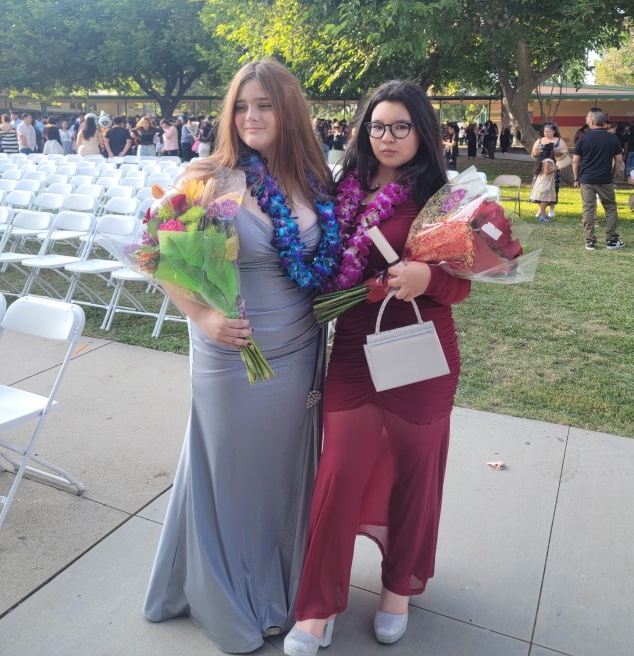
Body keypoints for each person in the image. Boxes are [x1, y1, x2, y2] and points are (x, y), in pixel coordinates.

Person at [143, 59, 339, 653]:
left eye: (265, 105)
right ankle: (226, 597)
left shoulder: (316, 181)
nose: (251, 116)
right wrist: (203, 315)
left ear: (289, 112)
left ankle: (282, 587)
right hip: (233, 351)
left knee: (281, 471)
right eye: (242, 106)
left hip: (300, 349)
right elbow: (157, 257)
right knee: (229, 470)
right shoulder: (210, 176)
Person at [285, 81, 471, 655]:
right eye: (376, 126)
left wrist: (429, 279)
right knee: (338, 472)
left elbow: (462, 284)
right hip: (354, 351)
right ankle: (317, 607)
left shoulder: (445, 195)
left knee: (417, 474)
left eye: (399, 127)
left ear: (422, 132)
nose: (386, 138)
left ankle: (398, 589)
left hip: (419, 349)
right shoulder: (344, 188)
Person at [572, 110, 625, 251]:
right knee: (610, 208)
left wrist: (576, 178)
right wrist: (613, 177)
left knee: (588, 208)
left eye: (587, 116)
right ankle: (612, 240)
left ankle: (590, 241)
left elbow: (575, 161)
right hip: (605, 179)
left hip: (586, 180)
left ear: (592, 121)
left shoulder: (583, 138)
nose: (585, 118)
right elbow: (619, 161)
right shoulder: (613, 138)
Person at [530, 123, 568, 219]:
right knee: (539, 188)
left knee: (553, 188)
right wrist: (535, 152)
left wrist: (558, 152)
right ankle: (541, 209)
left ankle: (551, 208)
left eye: (548, 131)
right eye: (545, 131)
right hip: (540, 167)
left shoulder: (559, 141)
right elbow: (533, 154)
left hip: (553, 166)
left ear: (554, 131)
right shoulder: (539, 141)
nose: (546, 133)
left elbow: (566, 154)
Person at [529, 146, 557, 221]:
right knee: (545, 199)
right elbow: (546, 172)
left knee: (543, 198)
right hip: (545, 182)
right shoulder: (548, 161)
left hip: (542, 181)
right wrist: (555, 169)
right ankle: (542, 215)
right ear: (551, 152)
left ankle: (542, 214)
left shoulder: (543, 160)